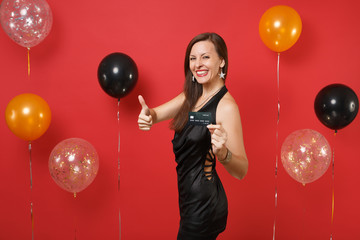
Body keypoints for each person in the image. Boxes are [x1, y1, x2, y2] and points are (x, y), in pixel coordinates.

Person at [137, 32, 248, 239]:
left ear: (221, 62)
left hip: (205, 205)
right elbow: (155, 114)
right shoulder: (191, 95)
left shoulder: (226, 107)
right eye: (192, 58)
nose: (198, 64)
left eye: (205, 57)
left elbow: (241, 171)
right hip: (189, 200)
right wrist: (147, 115)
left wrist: (223, 153)